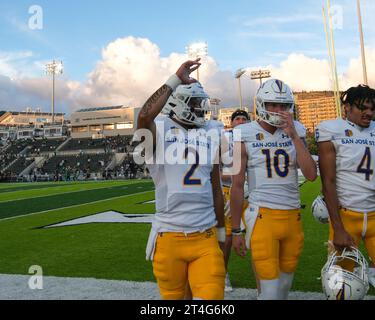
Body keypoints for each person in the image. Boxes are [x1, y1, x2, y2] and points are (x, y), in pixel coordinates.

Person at [137, 59, 226, 300]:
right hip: (169, 236)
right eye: (195, 103)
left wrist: (221, 232)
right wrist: (175, 79)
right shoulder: (160, 129)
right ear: (178, 103)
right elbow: (144, 116)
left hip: (205, 235)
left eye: (200, 103)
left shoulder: (210, 131)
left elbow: (217, 189)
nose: (200, 108)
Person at [231, 79, 317, 300]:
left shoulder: (295, 129)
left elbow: (310, 174)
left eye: (284, 105)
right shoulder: (243, 132)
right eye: (273, 105)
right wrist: (235, 230)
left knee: (282, 292)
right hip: (262, 215)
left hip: (292, 217)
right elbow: (238, 185)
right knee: (270, 294)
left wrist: (294, 136)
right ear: (261, 104)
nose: (279, 111)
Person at [316, 85, 375, 293]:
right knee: (341, 290)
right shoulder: (331, 129)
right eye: (362, 108)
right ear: (347, 107)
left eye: (372, 108)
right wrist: (338, 228)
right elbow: (328, 181)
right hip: (348, 217)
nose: (369, 112)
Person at [221, 109, 251, 292]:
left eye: (244, 119)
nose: (240, 121)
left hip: (254, 193)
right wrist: (237, 179)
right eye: (237, 119)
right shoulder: (224, 140)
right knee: (228, 238)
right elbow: (217, 170)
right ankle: (223, 274)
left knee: (257, 237)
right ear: (231, 123)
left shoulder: (256, 137)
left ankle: (265, 280)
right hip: (230, 192)